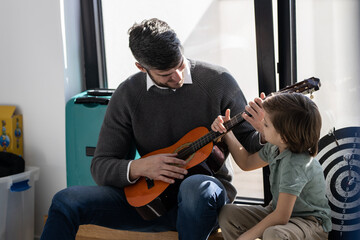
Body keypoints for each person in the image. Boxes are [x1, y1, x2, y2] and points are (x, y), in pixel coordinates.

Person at [40, 18, 264, 240]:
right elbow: (101, 166)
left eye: (180, 65)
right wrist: (138, 167)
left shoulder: (218, 81)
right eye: (166, 74)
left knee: (196, 187)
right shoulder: (128, 94)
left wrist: (263, 128)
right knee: (65, 200)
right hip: (150, 204)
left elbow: (252, 145)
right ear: (141, 67)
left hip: (204, 201)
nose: (177, 77)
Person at [211, 92, 332, 240]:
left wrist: (245, 237)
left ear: (284, 137)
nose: (261, 127)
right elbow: (246, 162)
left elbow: (281, 216)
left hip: (310, 223)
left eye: (266, 124)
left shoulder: (296, 163)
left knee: (274, 234)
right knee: (228, 214)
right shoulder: (275, 147)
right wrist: (227, 133)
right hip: (277, 213)